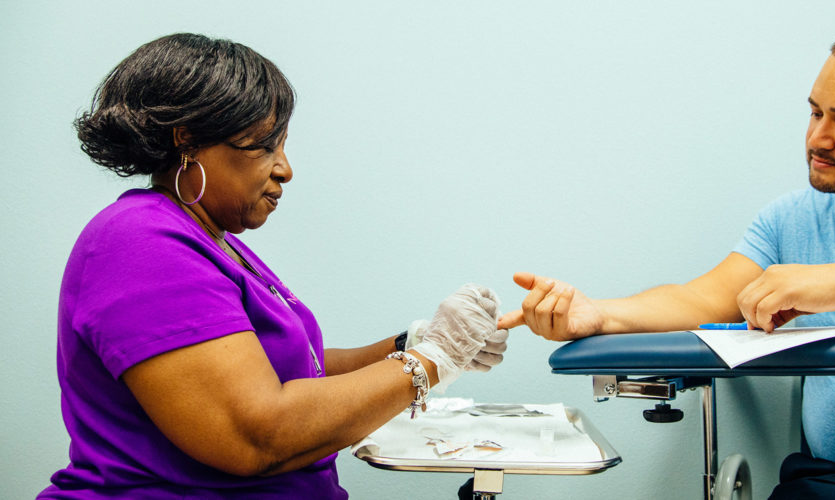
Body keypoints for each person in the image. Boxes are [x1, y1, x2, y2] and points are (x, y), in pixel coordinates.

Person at [498, 22, 835, 499]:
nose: (818, 138)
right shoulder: (791, 220)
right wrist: (601, 316)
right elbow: (701, 298)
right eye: (816, 111)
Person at [40, 33, 507, 499]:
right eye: (264, 146)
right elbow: (256, 437)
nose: (285, 169)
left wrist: (414, 343)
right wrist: (431, 360)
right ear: (187, 140)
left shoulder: (213, 240)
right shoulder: (140, 242)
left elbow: (294, 372)